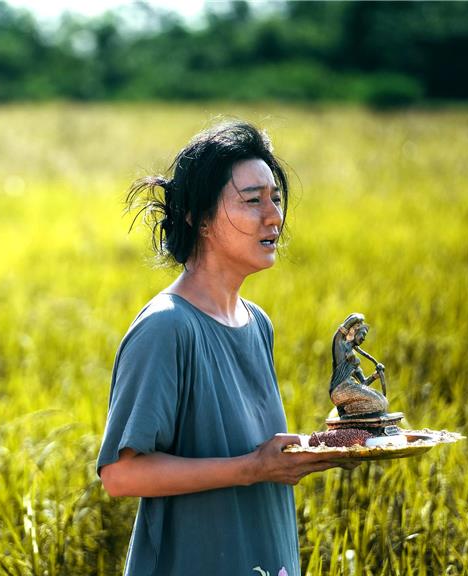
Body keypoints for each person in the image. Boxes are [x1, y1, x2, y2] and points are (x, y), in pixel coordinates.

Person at [96, 120, 355, 576]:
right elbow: (121, 475)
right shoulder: (166, 328)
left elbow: (253, 452)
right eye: (252, 200)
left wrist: (316, 448)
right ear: (198, 216)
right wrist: (253, 468)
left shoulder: (257, 324)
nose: (273, 216)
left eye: (276, 198)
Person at [329, 313, 388, 418]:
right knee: (379, 403)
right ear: (353, 331)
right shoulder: (340, 346)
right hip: (340, 390)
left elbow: (363, 383)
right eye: (363, 334)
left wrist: (375, 375)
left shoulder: (354, 360)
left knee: (383, 401)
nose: (364, 338)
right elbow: (351, 321)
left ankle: (349, 412)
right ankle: (349, 414)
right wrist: (360, 319)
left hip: (351, 387)